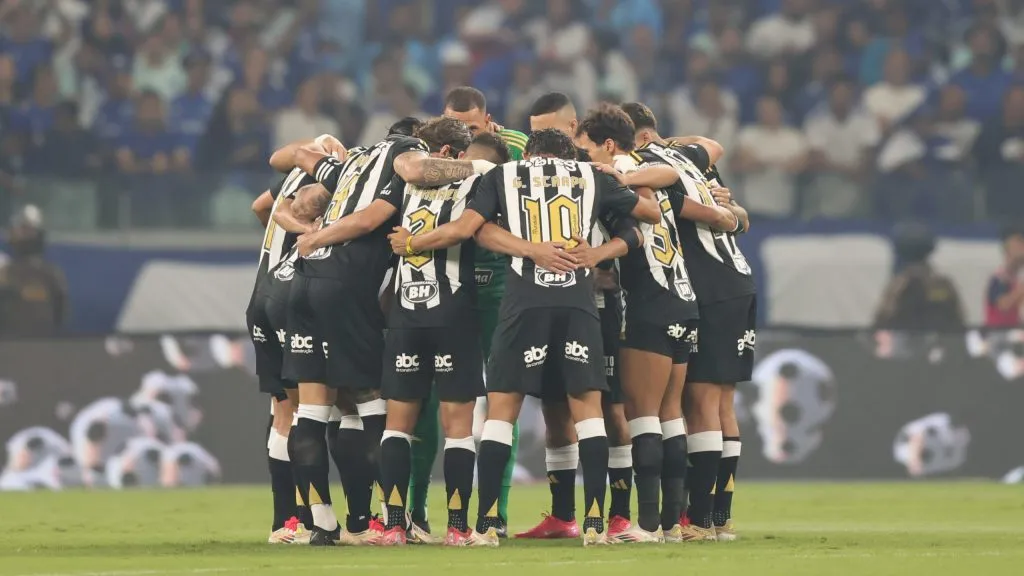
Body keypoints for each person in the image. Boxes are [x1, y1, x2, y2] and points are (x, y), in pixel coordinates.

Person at [388, 128, 662, 546]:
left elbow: (475, 230)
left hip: (523, 301)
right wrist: (596, 251)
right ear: (569, 153)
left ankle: (486, 525)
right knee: (586, 407)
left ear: (531, 152)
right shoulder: (592, 176)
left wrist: (531, 250)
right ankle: (593, 525)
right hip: (577, 300)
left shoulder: (503, 174)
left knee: (502, 408)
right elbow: (647, 218)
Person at [283, 117, 495, 546]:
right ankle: (419, 524)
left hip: (328, 292)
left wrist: (305, 230)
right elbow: (460, 225)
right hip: (429, 304)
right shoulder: (433, 171)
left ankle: (344, 523)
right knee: (394, 411)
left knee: (320, 411)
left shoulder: (358, 161)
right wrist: (479, 167)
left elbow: (293, 162)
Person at [390, 87, 528, 536]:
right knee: (428, 402)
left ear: (488, 122)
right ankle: (415, 512)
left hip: (501, 284)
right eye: (457, 126)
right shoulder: (439, 160)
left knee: (502, 397)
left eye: (473, 127)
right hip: (446, 287)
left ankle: (495, 512)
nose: (467, 134)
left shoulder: (516, 148)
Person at [622, 101, 753, 542]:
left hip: (707, 286)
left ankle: (698, 518)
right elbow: (713, 146)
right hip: (736, 281)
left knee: (697, 403)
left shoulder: (644, 164)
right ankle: (718, 518)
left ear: (633, 139)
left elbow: (678, 204)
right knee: (720, 403)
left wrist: (720, 214)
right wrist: (732, 214)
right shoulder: (688, 156)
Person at [245, 135, 341, 545]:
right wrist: (305, 234)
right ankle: (305, 517)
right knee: (309, 409)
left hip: (262, 292)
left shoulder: (289, 180)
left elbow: (259, 208)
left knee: (282, 410)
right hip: (293, 295)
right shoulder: (334, 184)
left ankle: (285, 521)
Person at [0, 206, 68, 338]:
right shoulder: (4, 273)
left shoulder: (52, 275)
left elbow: (60, 316)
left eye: (29, 230)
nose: (24, 235)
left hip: (43, 347)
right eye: (21, 230)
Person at [986, 225, 1024, 327]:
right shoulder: (999, 279)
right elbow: (1003, 305)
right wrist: (1020, 291)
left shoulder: (1015, 280)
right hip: (998, 332)